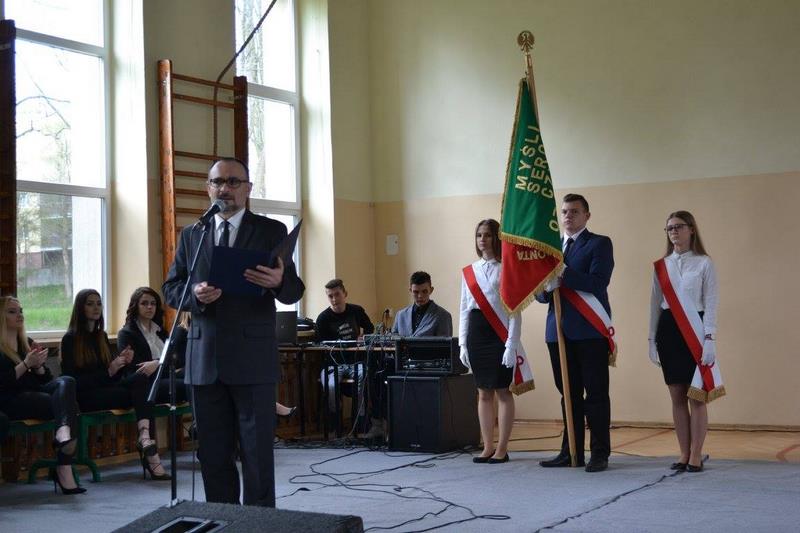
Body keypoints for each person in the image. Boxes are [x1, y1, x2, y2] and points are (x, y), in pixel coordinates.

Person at [162, 157, 304, 507]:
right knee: (213, 454)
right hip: (204, 359)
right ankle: (223, 520)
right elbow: (171, 288)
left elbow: (293, 291)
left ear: (248, 188)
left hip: (252, 359)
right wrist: (194, 295)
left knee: (257, 454)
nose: (224, 188)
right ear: (208, 188)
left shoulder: (270, 230)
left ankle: (259, 524)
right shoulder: (193, 233)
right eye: (217, 182)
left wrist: (278, 281)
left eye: (233, 182)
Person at [537, 194, 615, 473]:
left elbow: (598, 282)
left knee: (595, 394)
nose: (568, 216)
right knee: (568, 394)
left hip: (589, 330)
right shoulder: (552, 248)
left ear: (587, 216)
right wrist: (546, 289)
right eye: (565, 212)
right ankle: (571, 451)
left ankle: (599, 453)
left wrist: (564, 273)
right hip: (556, 331)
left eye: (574, 211)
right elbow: (540, 293)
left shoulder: (599, 243)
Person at [60, 288, 170, 481]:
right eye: (90, 304)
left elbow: (111, 375)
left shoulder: (101, 336)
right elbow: (72, 381)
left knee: (140, 379)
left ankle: (145, 437)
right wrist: (111, 370)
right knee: (142, 392)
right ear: (80, 308)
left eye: (99, 303)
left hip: (108, 389)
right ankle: (149, 452)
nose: (96, 308)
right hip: (87, 395)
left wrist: (121, 363)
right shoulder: (70, 338)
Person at [649, 210, 722, 472]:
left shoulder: (704, 263)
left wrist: (710, 337)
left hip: (695, 331)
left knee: (697, 396)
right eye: (669, 228)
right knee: (677, 396)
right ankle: (683, 453)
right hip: (669, 331)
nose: (674, 232)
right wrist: (651, 338)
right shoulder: (661, 265)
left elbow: (711, 302)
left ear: (691, 229)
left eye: (679, 226)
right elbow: (655, 304)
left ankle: (696, 454)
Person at [0, 296, 84, 494]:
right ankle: (63, 469)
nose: (19, 315)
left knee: (67, 381)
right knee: (70, 406)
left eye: (21, 311)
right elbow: (3, 383)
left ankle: (63, 432)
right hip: (10, 400)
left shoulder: (26, 343)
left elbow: (45, 380)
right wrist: (26, 364)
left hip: (33, 395)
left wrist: (38, 367)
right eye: (12, 311)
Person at [459, 219, 521, 464]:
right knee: (483, 392)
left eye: (487, 235)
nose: (482, 239)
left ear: (497, 237)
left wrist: (511, 344)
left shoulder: (507, 269)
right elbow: (464, 309)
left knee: (503, 391)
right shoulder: (469, 271)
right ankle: (487, 446)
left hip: (499, 333)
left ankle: (502, 448)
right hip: (476, 333)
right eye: (479, 235)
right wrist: (462, 343)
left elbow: (514, 311)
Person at [315, 279, 375, 435]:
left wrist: (363, 336)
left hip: (356, 361)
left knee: (364, 377)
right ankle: (335, 426)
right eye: (330, 296)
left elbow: (370, 328)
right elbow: (320, 344)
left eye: (337, 294)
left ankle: (361, 423)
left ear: (345, 294)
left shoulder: (356, 310)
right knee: (331, 386)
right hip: (333, 364)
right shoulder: (322, 318)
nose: (334, 299)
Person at [117, 287, 187, 404]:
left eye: (153, 303)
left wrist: (157, 363)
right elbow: (139, 368)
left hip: (165, 375)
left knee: (194, 376)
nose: (149, 307)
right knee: (185, 385)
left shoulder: (160, 331)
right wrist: (163, 363)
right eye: (144, 303)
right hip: (146, 383)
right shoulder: (126, 333)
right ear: (135, 306)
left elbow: (175, 359)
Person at [392, 271, 453, 337]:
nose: (420, 296)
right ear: (410, 291)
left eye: (424, 291)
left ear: (431, 290)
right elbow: (392, 340)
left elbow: (444, 343)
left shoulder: (443, 316)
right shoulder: (400, 315)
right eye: (416, 292)